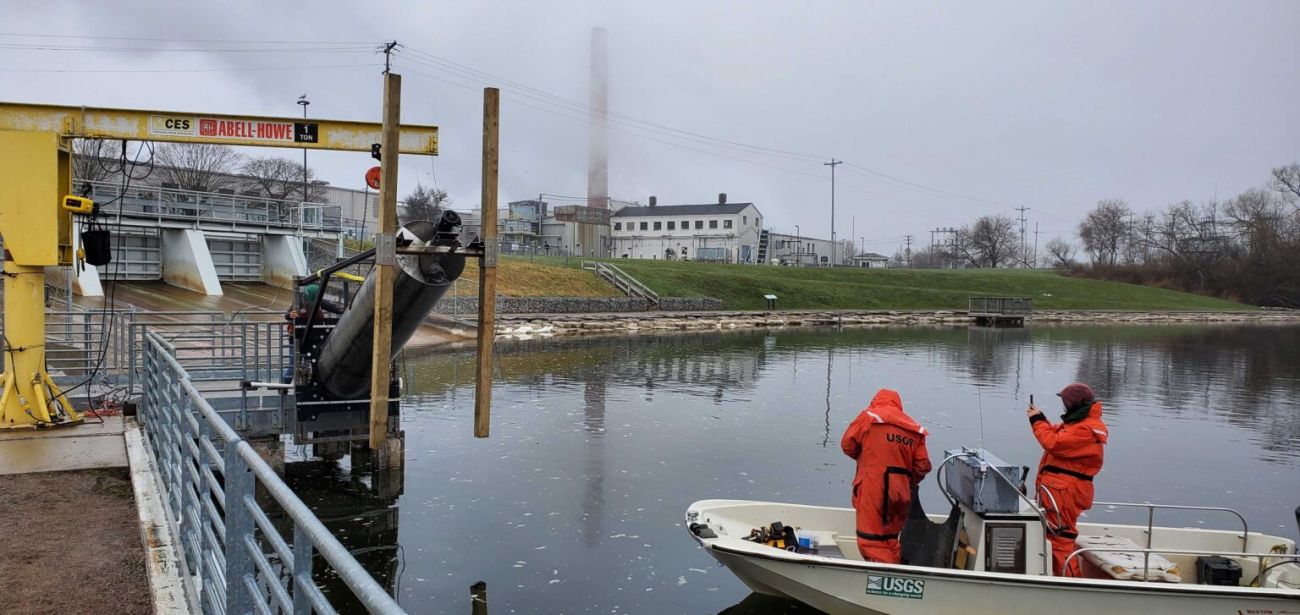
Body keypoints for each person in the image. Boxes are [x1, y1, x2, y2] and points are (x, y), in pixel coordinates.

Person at [840, 388, 932, 563]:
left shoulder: (869, 417)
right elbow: (923, 466)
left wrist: (867, 458)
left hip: (875, 488)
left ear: (875, 401)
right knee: (890, 540)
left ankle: (886, 581)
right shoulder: (914, 429)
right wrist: (907, 481)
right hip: (901, 491)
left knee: (871, 541)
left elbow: (847, 445)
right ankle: (896, 572)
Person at [1028, 383, 1109, 577]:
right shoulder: (1080, 423)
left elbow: (1053, 442)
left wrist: (1036, 421)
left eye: (1065, 403)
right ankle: (1057, 579)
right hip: (1059, 491)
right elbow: (1056, 432)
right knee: (1055, 536)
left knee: (1060, 539)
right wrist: (1041, 418)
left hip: (1064, 493)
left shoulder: (1086, 429)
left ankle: (1072, 584)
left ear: (1073, 404)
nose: (1063, 407)